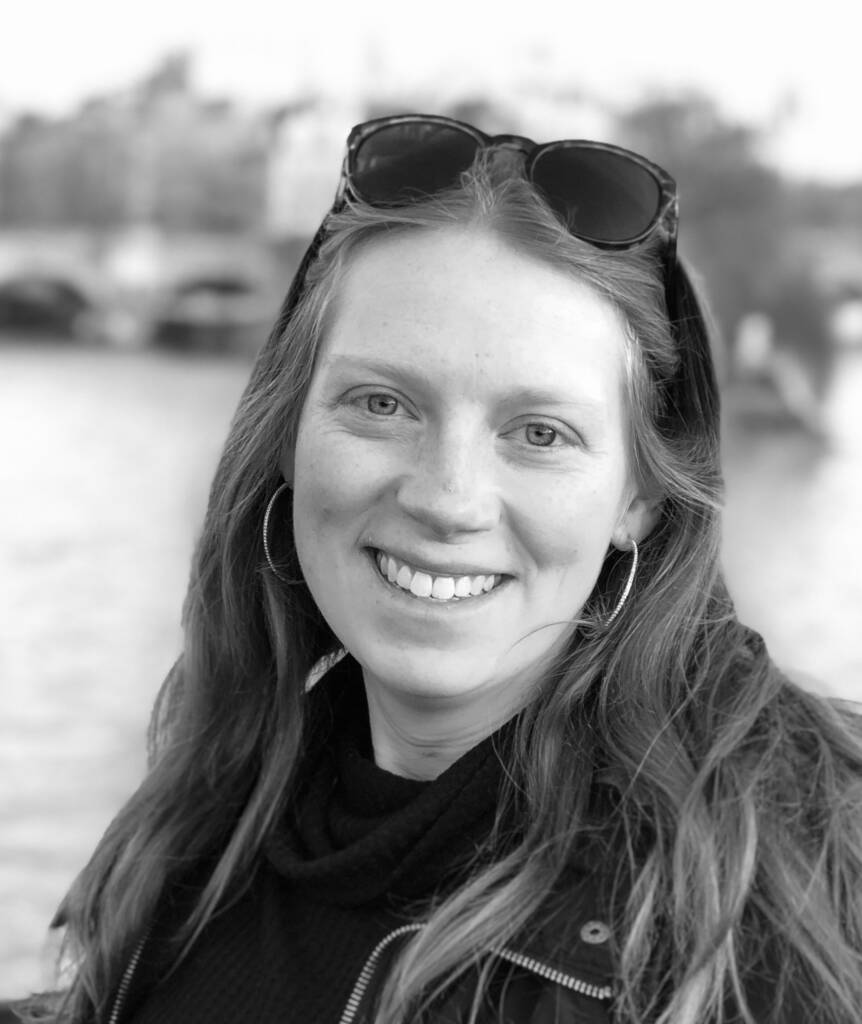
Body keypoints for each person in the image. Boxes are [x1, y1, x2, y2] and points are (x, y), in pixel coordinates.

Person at [22, 114, 862, 1024]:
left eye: (539, 433)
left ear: (639, 498)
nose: (447, 498)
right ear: (288, 439)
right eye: (382, 404)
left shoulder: (804, 877)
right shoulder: (212, 811)